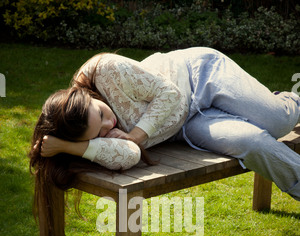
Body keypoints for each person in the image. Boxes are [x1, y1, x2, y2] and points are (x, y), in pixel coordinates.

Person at [29, 47, 300, 210]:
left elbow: (170, 95)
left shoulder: (106, 69)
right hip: (187, 125)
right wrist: (70, 147)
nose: (109, 125)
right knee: (253, 142)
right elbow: (130, 155)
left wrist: (135, 135)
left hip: (202, 77)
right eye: (99, 132)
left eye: (101, 114)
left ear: (87, 96)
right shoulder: (80, 131)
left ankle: (290, 100)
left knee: (278, 121)